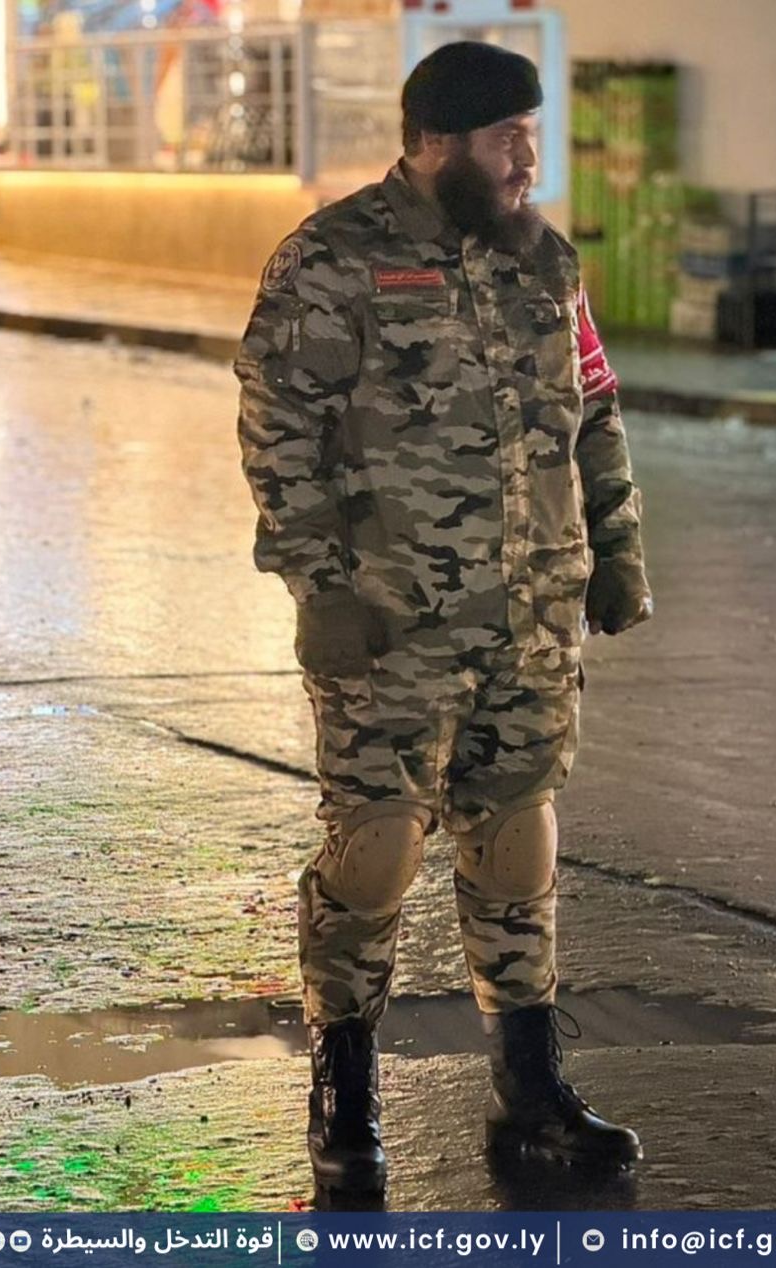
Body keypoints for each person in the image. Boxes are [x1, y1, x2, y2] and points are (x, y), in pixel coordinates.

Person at [235, 42, 652, 1201]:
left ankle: (529, 1089)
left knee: (516, 841)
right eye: (504, 137)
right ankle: (342, 1091)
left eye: (531, 132)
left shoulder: (543, 261)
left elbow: (593, 412)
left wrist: (615, 551)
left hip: (529, 618)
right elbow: (278, 431)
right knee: (374, 853)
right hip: (388, 625)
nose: (527, 158)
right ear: (431, 142)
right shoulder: (331, 259)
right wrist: (319, 588)